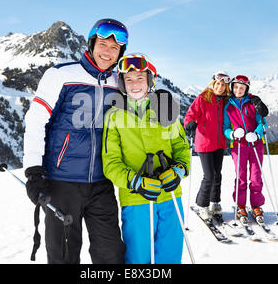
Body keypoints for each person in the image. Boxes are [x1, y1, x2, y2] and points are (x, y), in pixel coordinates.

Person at [22, 18, 128, 264]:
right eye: (103, 44)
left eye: (115, 48)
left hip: (102, 183)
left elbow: (140, 111)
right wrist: (34, 172)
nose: (108, 52)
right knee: (64, 256)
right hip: (62, 183)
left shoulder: (119, 83)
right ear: (91, 43)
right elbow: (36, 121)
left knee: (111, 254)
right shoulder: (61, 75)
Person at [102, 53, 191, 264]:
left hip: (170, 195)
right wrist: (135, 181)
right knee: (139, 258)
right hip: (136, 199)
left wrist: (178, 171)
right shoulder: (114, 116)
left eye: (140, 78)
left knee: (170, 256)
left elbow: (181, 147)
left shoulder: (165, 107)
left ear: (149, 80)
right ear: (122, 84)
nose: (134, 84)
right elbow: (111, 163)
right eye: (129, 79)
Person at [184, 72, 231, 220]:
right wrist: (189, 123)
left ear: (226, 87)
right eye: (218, 84)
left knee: (218, 175)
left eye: (223, 85)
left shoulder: (226, 101)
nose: (220, 87)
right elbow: (190, 115)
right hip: (204, 142)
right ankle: (202, 205)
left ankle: (215, 202)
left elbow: (243, 98)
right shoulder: (202, 99)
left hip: (219, 142)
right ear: (213, 84)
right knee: (209, 176)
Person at [222, 75, 267, 220]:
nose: (238, 90)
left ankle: (256, 206)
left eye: (241, 88)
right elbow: (225, 128)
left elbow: (262, 123)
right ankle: (240, 205)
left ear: (246, 89)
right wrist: (233, 134)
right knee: (240, 177)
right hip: (239, 146)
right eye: (235, 87)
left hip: (255, 145)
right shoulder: (228, 106)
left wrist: (257, 134)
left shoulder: (253, 103)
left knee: (256, 177)